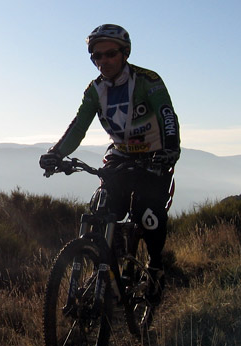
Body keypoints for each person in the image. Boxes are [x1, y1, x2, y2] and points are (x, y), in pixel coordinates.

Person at [39, 23, 180, 301]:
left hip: (155, 153)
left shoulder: (148, 81)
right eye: (96, 56)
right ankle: (107, 269)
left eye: (110, 54)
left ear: (124, 54)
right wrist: (57, 153)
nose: (103, 61)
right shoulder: (95, 90)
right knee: (103, 210)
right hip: (120, 154)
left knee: (148, 214)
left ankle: (154, 266)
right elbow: (79, 126)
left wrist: (170, 149)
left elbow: (167, 116)